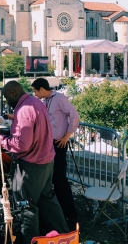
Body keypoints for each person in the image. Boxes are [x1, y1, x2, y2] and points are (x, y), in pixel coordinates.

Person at [0, 80, 68, 244]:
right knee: (47, 200)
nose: (6, 103)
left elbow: (21, 145)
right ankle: (64, 236)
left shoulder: (24, 110)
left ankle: (29, 240)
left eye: (6, 98)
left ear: (13, 93)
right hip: (46, 161)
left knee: (26, 206)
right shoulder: (35, 102)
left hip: (32, 165)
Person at [31, 77, 80, 231]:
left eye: (35, 91)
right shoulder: (46, 101)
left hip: (58, 143)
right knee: (53, 179)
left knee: (59, 179)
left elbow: (74, 115)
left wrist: (67, 135)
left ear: (41, 89)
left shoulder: (59, 98)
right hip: (50, 143)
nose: (35, 94)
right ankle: (59, 212)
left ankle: (70, 215)